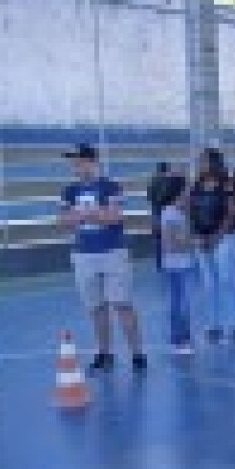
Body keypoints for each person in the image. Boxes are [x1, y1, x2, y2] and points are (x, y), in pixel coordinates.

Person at [59, 144, 146, 373]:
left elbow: (114, 217)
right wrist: (94, 214)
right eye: (73, 162)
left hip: (113, 252)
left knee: (122, 303)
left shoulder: (110, 186)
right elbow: (64, 222)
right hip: (83, 254)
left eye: (79, 161)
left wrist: (83, 215)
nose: (75, 166)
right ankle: (104, 352)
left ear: (92, 162)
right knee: (96, 307)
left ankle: (137, 353)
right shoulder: (69, 191)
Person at [190, 148, 235, 343]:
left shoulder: (227, 185)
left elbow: (230, 213)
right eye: (200, 161)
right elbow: (191, 212)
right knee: (208, 284)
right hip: (201, 239)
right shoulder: (196, 186)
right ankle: (214, 325)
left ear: (214, 163)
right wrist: (197, 235)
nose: (200, 164)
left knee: (227, 280)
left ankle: (233, 324)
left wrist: (216, 237)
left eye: (204, 161)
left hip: (225, 238)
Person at [161, 176, 198, 355]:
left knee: (184, 302)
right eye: (186, 189)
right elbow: (169, 244)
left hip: (186, 263)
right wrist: (192, 242)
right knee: (179, 303)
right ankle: (179, 340)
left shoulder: (184, 212)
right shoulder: (169, 213)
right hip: (175, 265)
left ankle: (185, 337)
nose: (189, 193)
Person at [147, 162, 180, 270]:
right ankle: (169, 261)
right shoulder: (169, 181)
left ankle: (159, 263)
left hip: (156, 211)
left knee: (158, 238)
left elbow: (149, 197)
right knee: (168, 236)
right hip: (166, 211)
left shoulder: (153, 182)